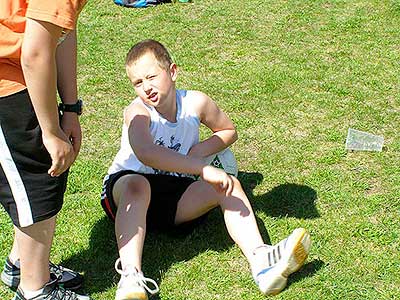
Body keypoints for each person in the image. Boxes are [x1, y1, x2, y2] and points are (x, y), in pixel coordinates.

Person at [101, 39, 311, 300]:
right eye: (138, 83)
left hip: (172, 198)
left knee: (229, 183)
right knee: (137, 185)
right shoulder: (137, 111)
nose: (146, 88)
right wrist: (201, 167)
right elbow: (146, 152)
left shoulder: (196, 103)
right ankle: (131, 278)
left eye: (151, 77)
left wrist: (201, 150)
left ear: (173, 71)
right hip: (125, 193)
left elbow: (228, 130)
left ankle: (262, 261)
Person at [0, 1, 89, 299]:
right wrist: (51, 133)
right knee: (34, 181)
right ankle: (34, 290)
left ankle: (22, 265)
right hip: (5, 83)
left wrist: (71, 109)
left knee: (39, 177)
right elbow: (36, 54)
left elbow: (61, 30)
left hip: (20, 73)